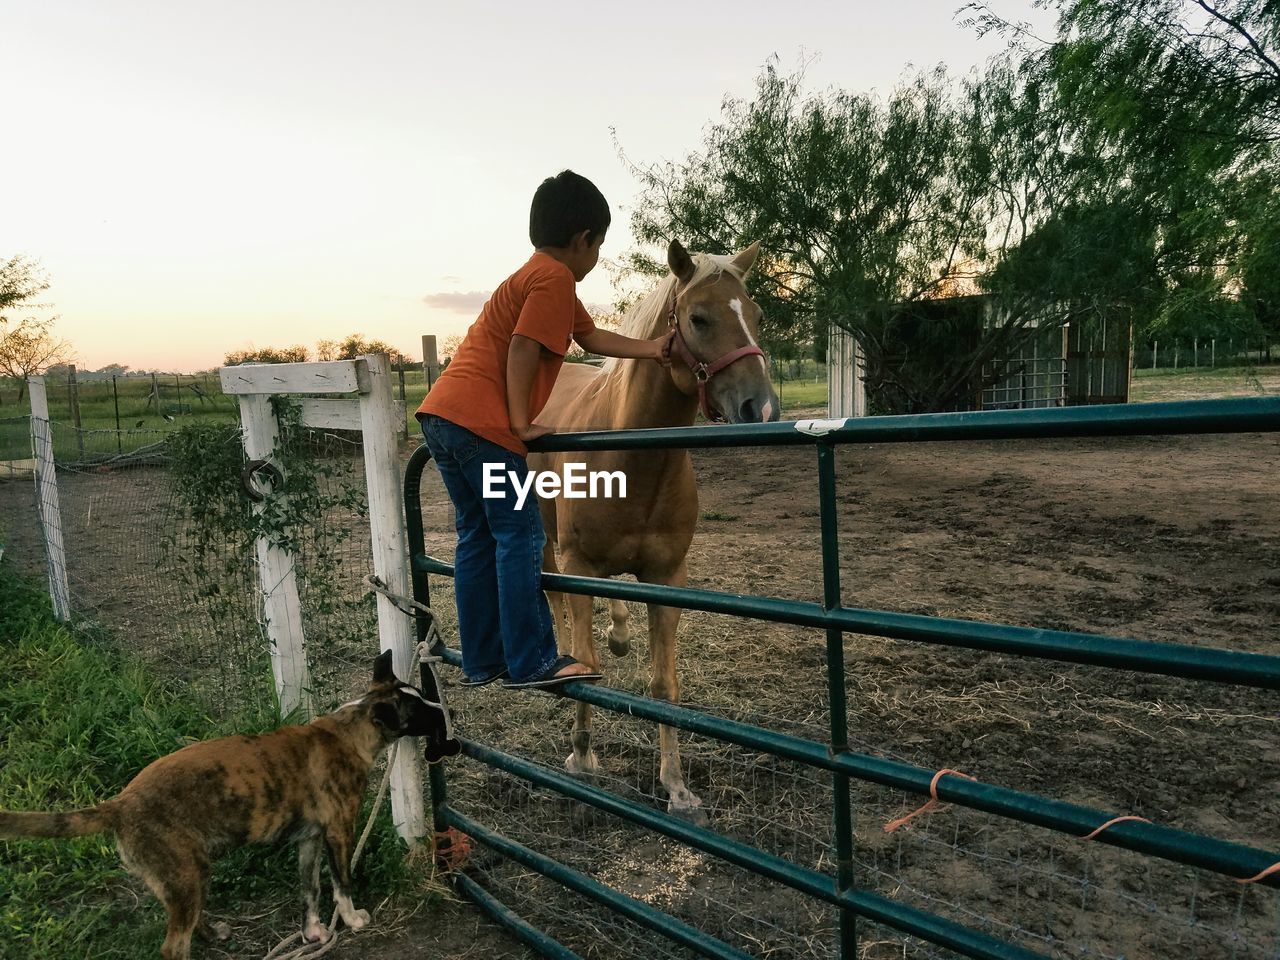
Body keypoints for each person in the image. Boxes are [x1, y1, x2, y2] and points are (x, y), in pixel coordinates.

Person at [418, 170, 673, 689]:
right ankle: (532, 660)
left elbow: (592, 336)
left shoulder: (533, 277)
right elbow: (521, 348)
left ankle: (484, 658)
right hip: (481, 426)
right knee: (522, 535)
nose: (596, 257)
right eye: (599, 245)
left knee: (477, 536)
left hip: (442, 416)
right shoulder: (555, 279)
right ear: (583, 240)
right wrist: (519, 422)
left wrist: (654, 349)